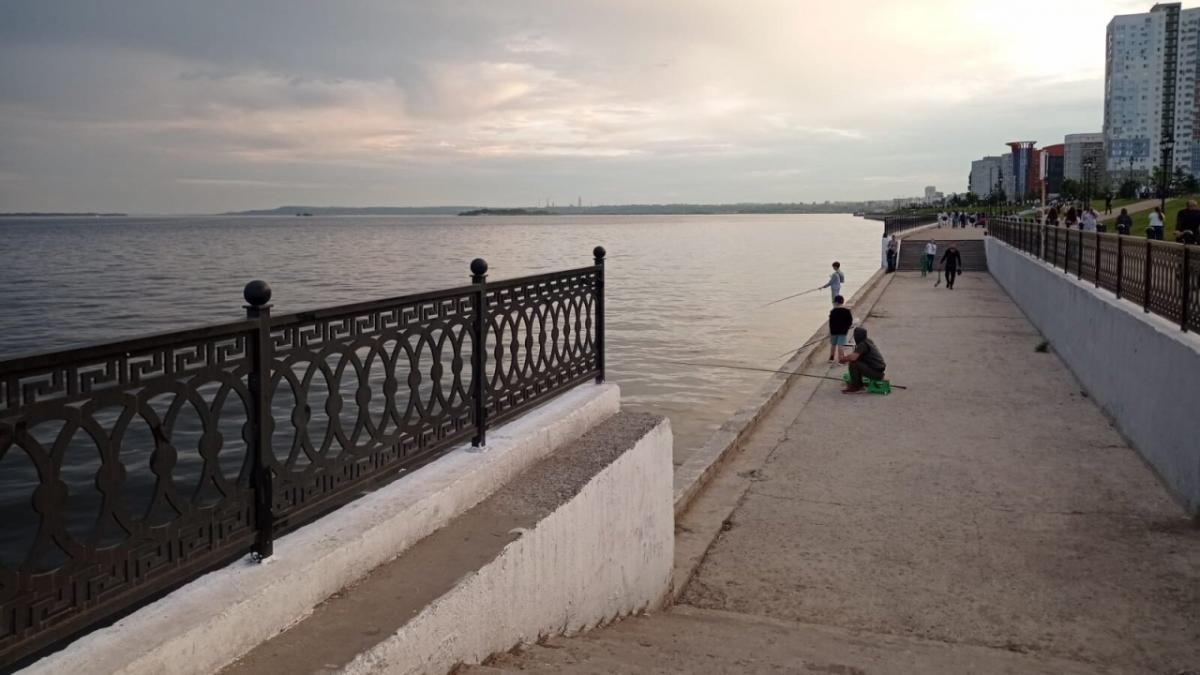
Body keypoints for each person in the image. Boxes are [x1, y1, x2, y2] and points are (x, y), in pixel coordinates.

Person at [839, 326, 886, 395]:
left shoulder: (862, 345)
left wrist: (843, 359)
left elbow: (853, 357)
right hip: (879, 371)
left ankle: (856, 387)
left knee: (853, 363)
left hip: (876, 373)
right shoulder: (868, 341)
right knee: (858, 361)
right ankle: (858, 383)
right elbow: (856, 355)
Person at [828, 295, 852, 362]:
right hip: (843, 331)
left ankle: (831, 357)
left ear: (836, 303)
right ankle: (841, 359)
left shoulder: (833, 311)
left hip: (833, 331)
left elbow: (831, 323)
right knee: (840, 345)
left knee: (833, 344)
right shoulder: (847, 311)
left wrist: (830, 331)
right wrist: (847, 327)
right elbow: (850, 321)